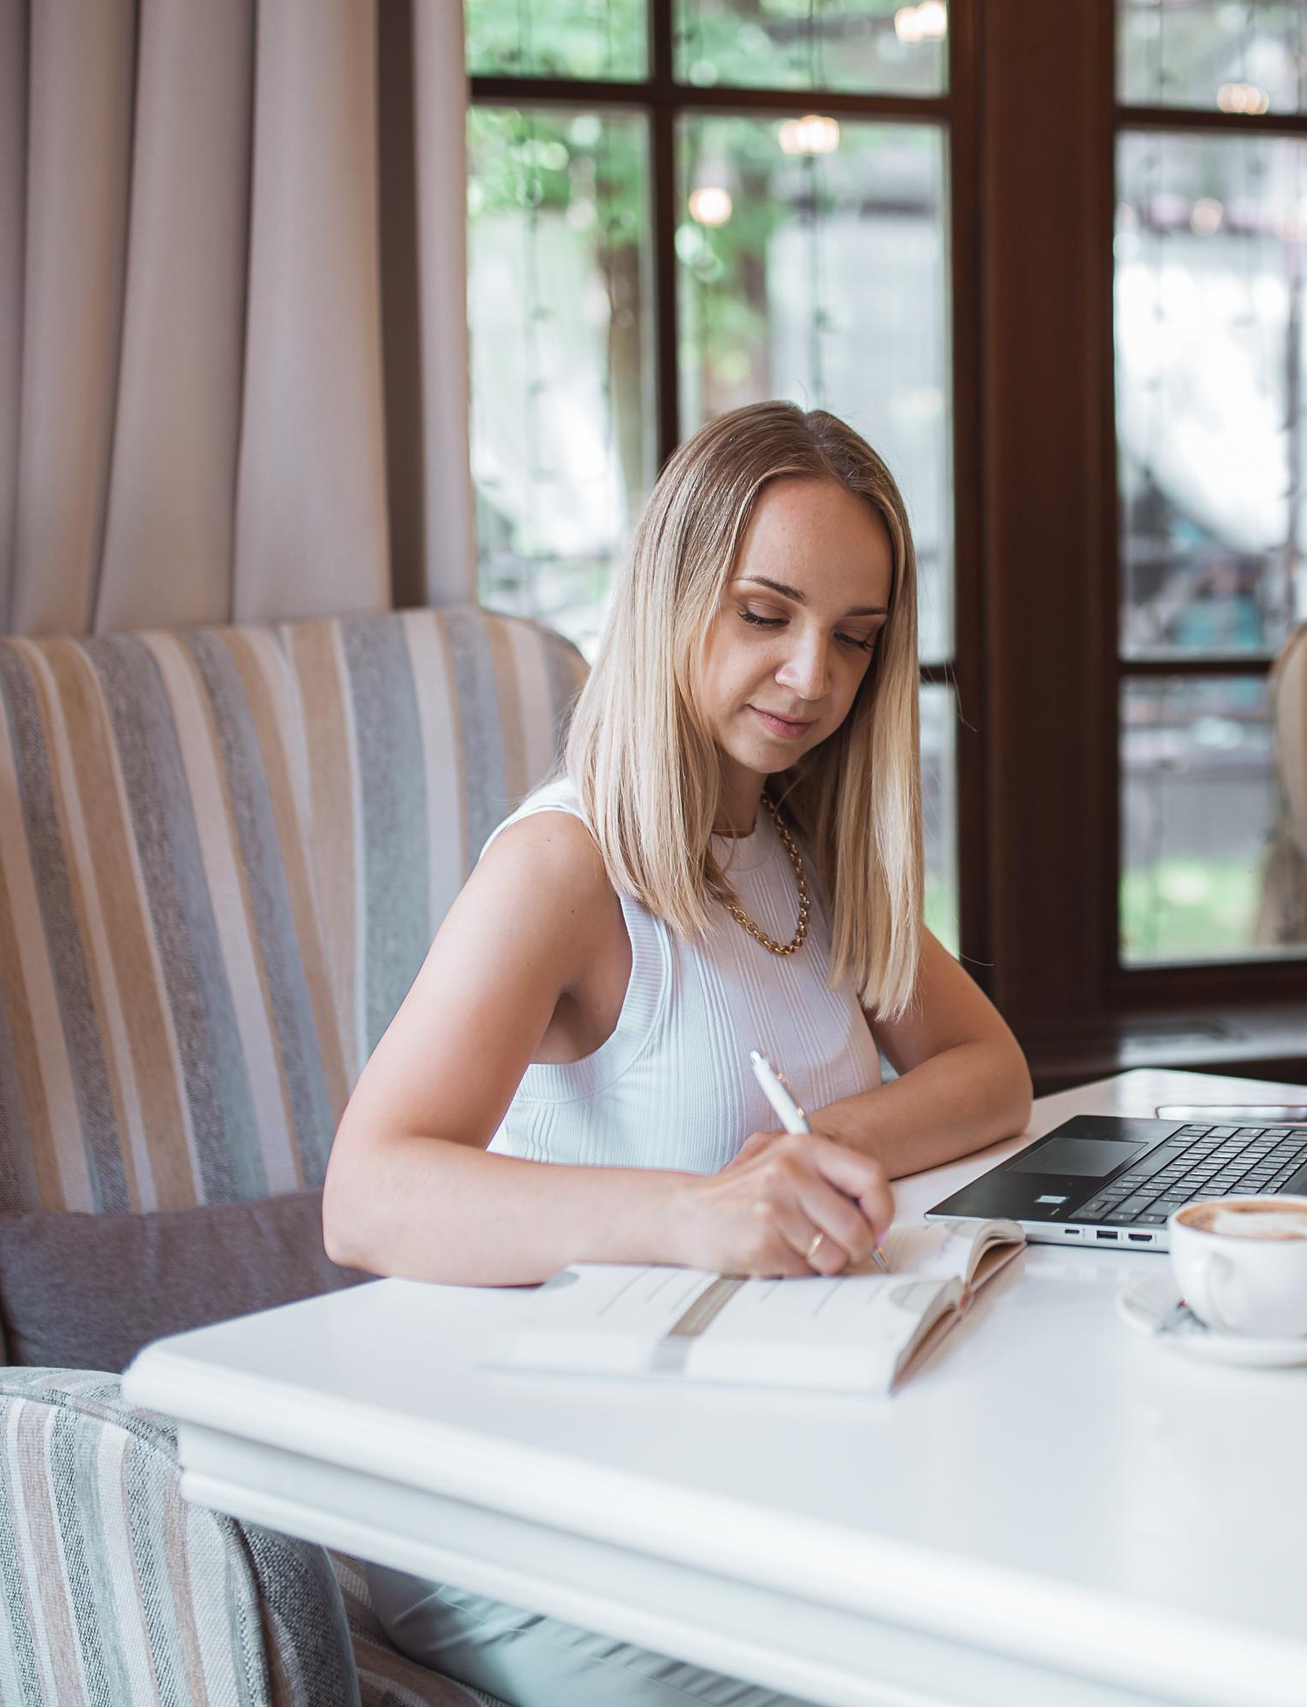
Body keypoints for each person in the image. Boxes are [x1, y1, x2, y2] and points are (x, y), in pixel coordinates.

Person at [322, 401, 1033, 1705]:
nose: (813, 676)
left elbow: (992, 1075)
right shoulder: (564, 866)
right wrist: (705, 1214)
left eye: (855, 639)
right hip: (535, 1491)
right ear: (670, 598)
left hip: (737, 1463)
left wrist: (817, 1152)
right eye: (766, 615)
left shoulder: (805, 858)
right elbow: (365, 1197)